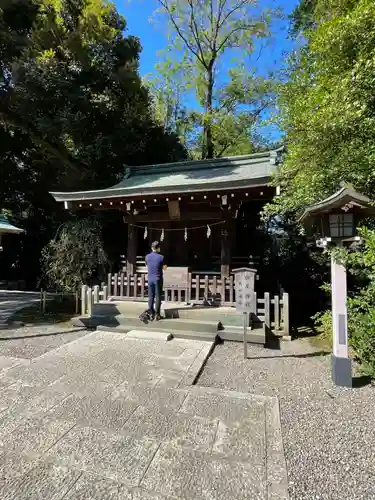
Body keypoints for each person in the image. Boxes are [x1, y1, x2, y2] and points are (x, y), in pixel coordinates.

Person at [144, 240, 167, 321]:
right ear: (158, 248)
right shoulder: (161, 257)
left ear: (152, 248)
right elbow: (165, 268)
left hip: (150, 279)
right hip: (158, 279)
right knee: (158, 296)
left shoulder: (147, 257)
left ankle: (150, 314)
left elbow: (147, 267)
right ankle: (157, 315)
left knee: (151, 296)